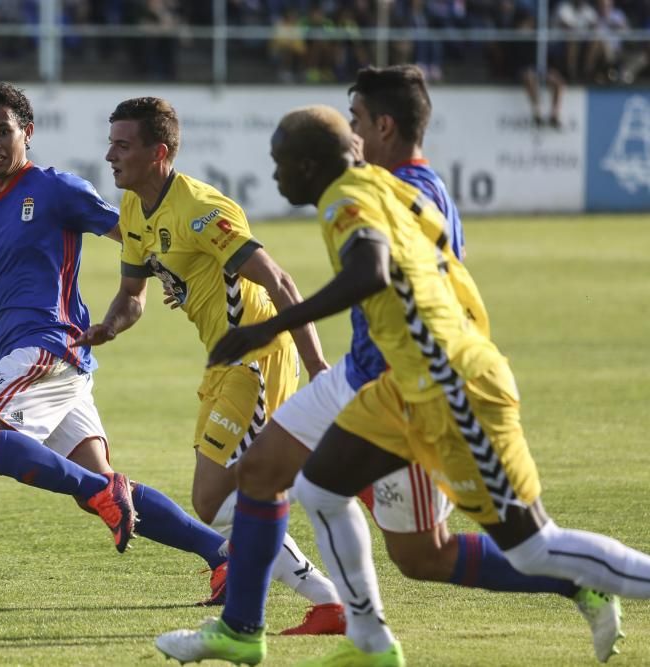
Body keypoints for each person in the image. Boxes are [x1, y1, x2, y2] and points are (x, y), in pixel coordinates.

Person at [159, 103, 650, 666]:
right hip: (391, 381)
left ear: (310, 163)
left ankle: (573, 582)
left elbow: (372, 271)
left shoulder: (348, 198)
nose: (272, 177)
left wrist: (270, 327)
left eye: (279, 164)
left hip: (445, 383)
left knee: (522, 546)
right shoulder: (386, 187)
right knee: (301, 484)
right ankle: (304, 635)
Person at [0, 81, 234, 594]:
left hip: (51, 346)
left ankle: (101, 494)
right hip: (41, 360)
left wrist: (175, 275)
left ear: (28, 131)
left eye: (3, 131)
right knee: (106, 480)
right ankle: (221, 554)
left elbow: (133, 235)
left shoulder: (55, 189)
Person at [74, 96, 347, 634]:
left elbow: (281, 282)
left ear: (160, 152)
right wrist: (109, 326)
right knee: (231, 494)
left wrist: (319, 367)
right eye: (110, 143)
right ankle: (327, 597)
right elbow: (133, 294)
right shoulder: (132, 209)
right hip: (222, 363)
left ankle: (325, 570)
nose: (110, 155)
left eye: (122, 145)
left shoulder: (202, 209)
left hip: (257, 357)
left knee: (213, 496)